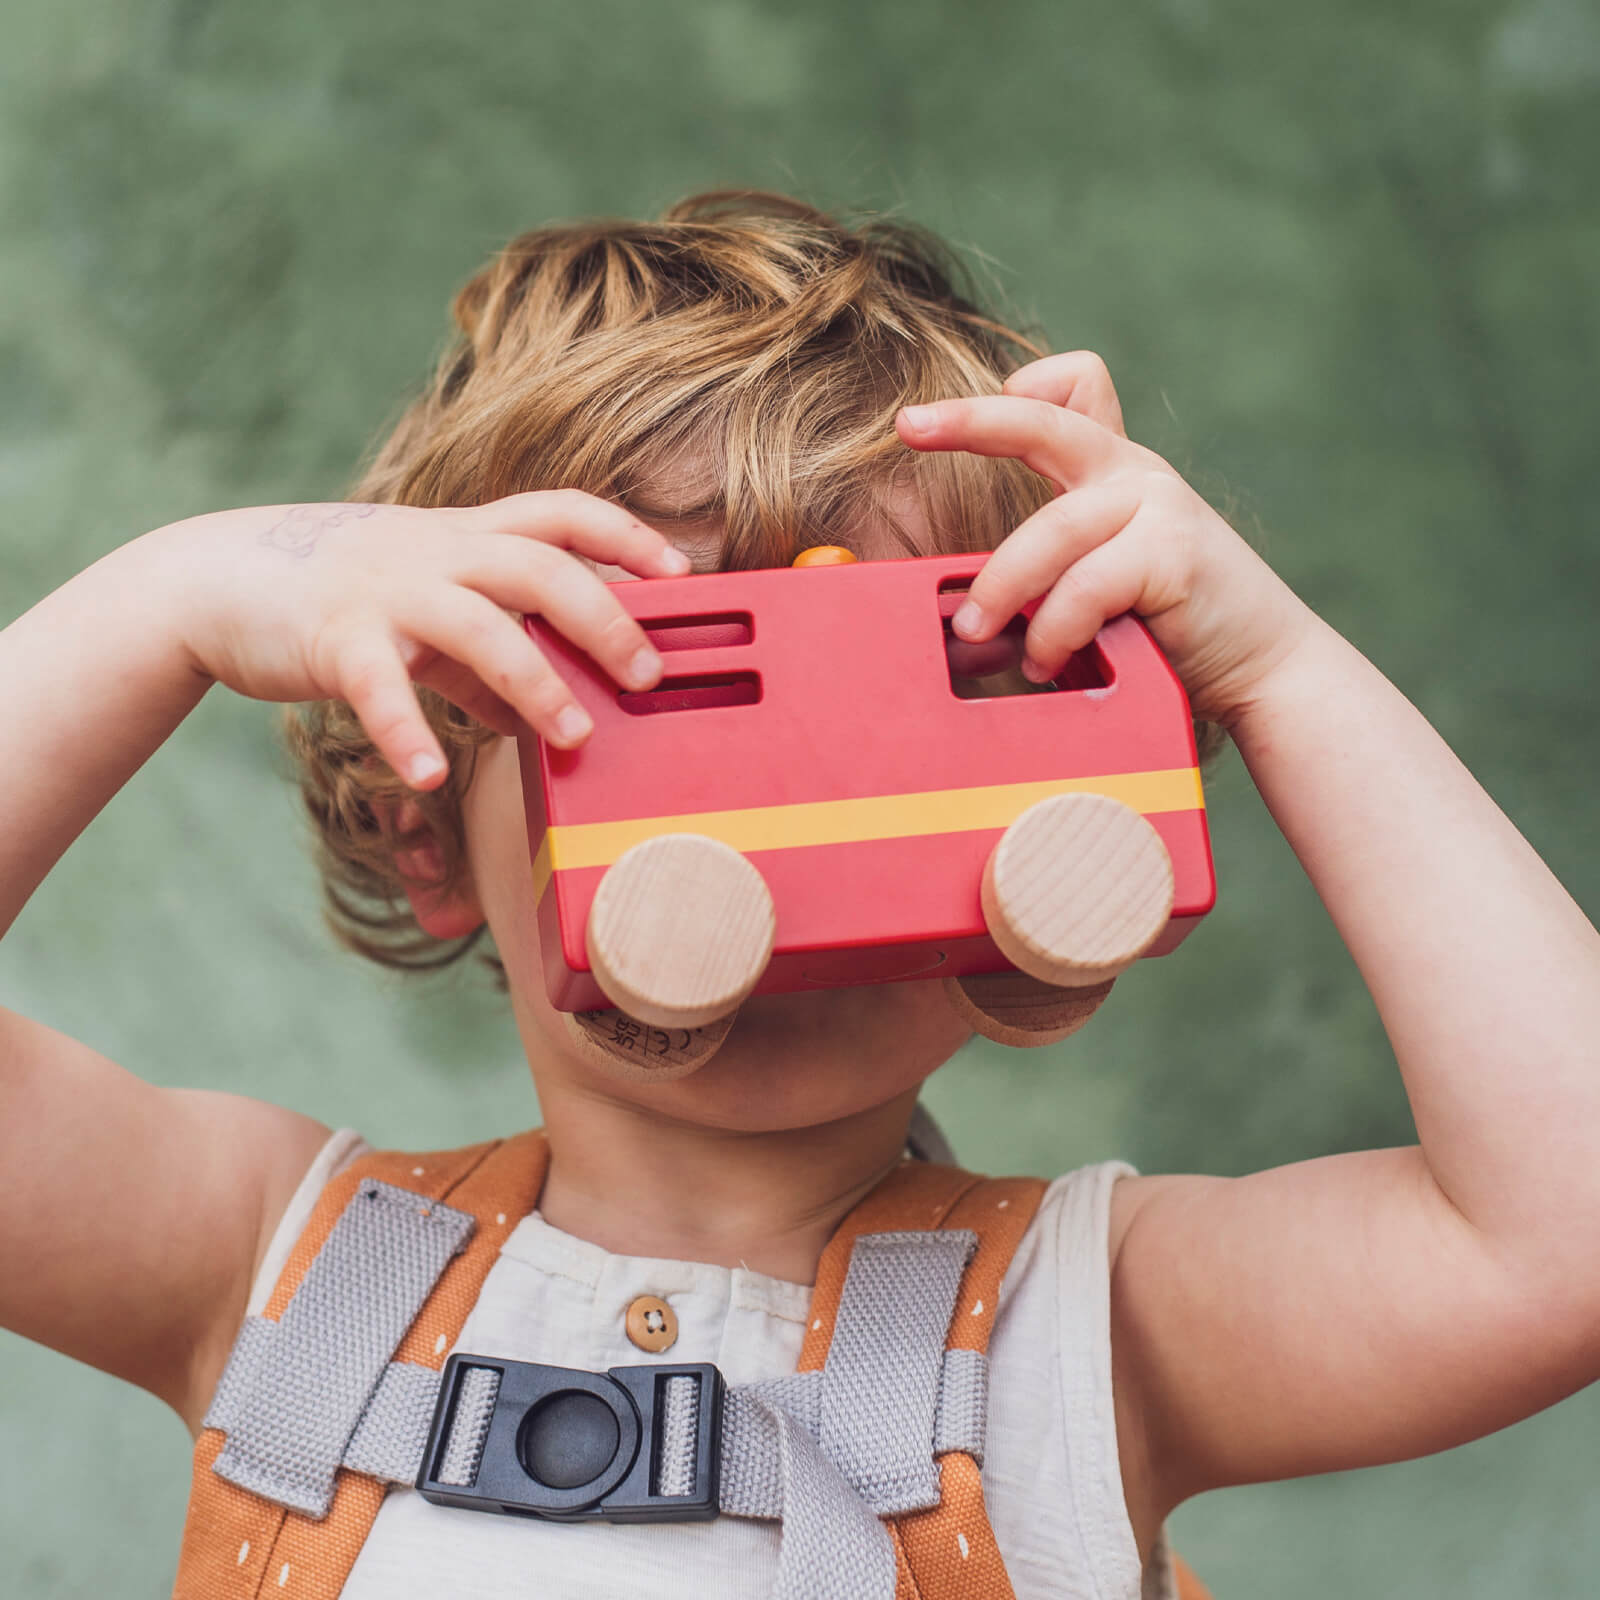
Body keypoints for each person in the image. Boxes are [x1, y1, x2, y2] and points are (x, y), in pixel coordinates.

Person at [3, 191, 1597, 1600]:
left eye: (933, 686)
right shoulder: (270, 1262)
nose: (789, 820)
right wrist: (175, 594)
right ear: (431, 838)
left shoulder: (1091, 1334)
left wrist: (1276, 667)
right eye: (661, 711)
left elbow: (1566, 1232)